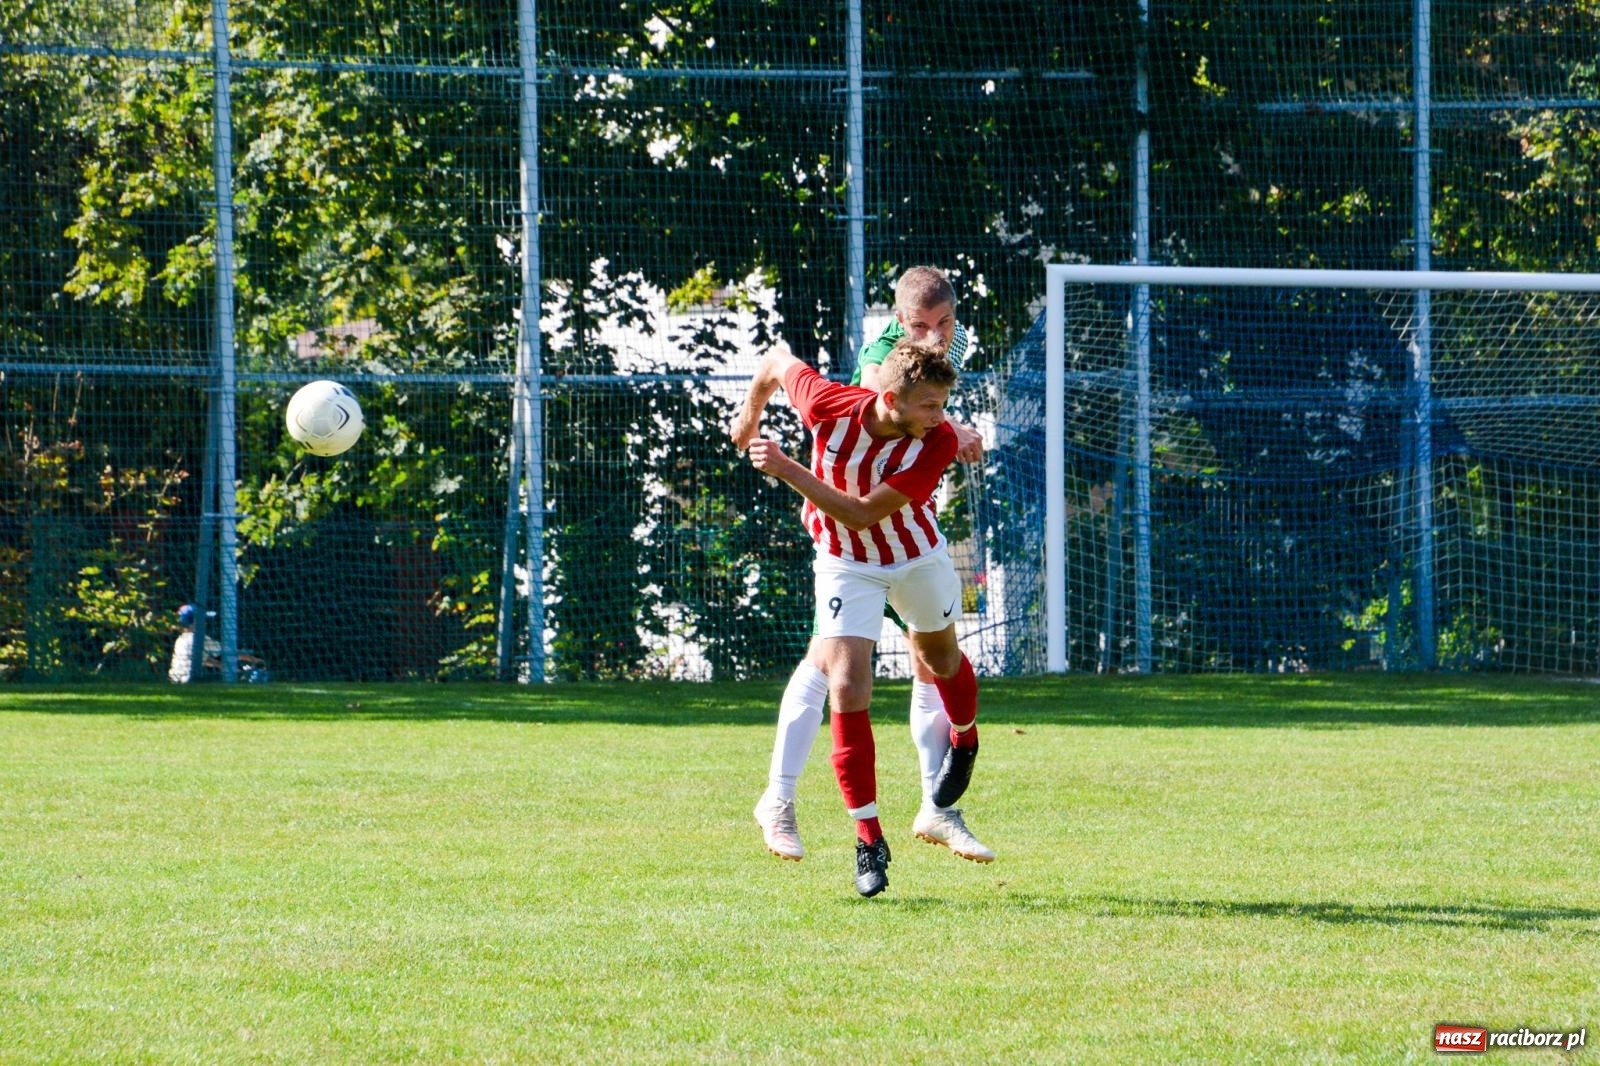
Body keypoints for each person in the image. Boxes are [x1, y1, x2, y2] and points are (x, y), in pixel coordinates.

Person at [751, 266, 991, 869]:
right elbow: (867, 402)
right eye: (920, 327)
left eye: (944, 325)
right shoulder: (881, 367)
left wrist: (947, 429)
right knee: (837, 673)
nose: (935, 339)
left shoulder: (945, 358)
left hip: (910, 537)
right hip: (849, 544)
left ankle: (935, 807)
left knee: (929, 661)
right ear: (897, 323)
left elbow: (920, 413)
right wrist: (752, 424)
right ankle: (784, 802)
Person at [168, 604, 266, 683]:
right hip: (189, 680)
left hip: (175, 678)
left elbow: (204, 659)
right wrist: (254, 660)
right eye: (203, 620)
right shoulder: (199, 639)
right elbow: (229, 653)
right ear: (194, 622)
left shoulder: (181, 639)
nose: (205, 623)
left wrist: (222, 666)